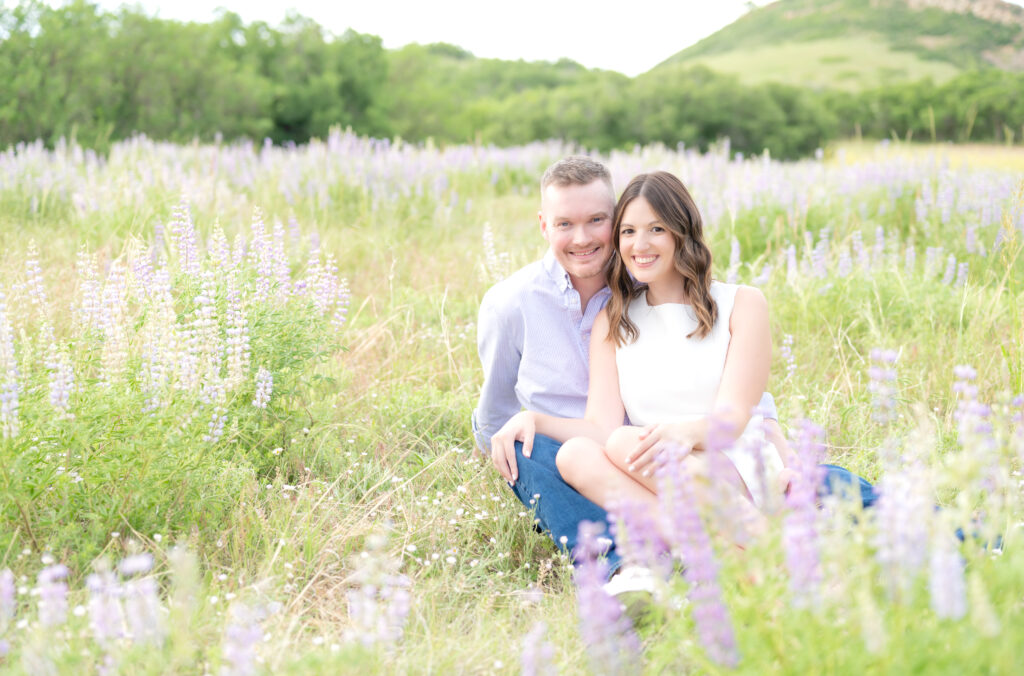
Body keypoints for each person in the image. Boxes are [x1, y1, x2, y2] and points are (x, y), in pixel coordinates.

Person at [472, 157, 814, 579]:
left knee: (623, 443)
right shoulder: (610, 319)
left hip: (725, 460)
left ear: (681, 232)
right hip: (652, 467)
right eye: (630, 232)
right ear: (545, 226)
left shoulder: (740, 303)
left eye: (656, 229)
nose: (640, 243)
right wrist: (531, 420)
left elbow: (738, 413)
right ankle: (718, 553)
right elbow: (594, 426)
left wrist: (687, 435)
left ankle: (768, 547)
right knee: (577, 451)